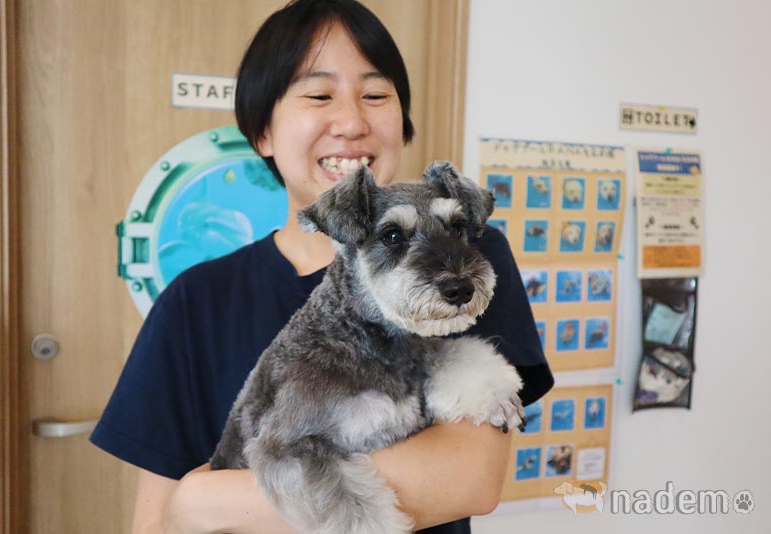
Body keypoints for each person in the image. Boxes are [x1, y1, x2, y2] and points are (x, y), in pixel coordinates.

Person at [90, 1, 553, 532]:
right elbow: (158, 521)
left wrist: (209, 498)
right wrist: (190, 505)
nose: (353, 122)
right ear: (262, 132)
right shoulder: (196, 300)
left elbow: (467, 478)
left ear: (401, 123)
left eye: (376, 95)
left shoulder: (467, 257)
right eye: (319, 94)